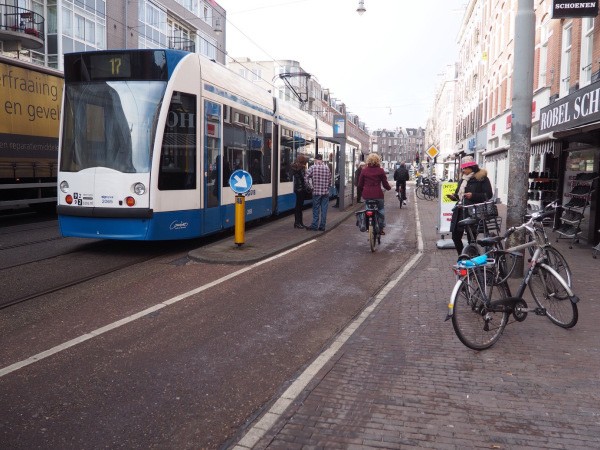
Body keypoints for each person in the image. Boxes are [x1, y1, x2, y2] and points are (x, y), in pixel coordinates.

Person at [448, 156, 493, 255]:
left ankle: (473, 258)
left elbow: (488, 195)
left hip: (473, 212)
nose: (463, 170)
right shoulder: (462, 180)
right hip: (460, 211)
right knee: (455, 237)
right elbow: (458, 195)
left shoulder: (482, 179)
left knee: (471, 238)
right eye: (462, 168)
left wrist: (473, 196)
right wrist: (453, 196)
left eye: (465, 168)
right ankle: (462, 255)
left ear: (472, 167)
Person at [358, 153, 392, 235]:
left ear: (368, 161)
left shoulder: (364, 170)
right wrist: (388, 188)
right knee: (381, 209)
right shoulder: (380, 171)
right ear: (378, 161)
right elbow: (385, 184)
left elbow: (360, 185)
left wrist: (362, 190)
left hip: (367, 195)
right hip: (378, 195)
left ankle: (366, 225)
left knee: (367, 209)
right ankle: (381, 227)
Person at [306, 154, 332, 231]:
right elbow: (330, 180)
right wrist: (327, 187)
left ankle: (314, 226)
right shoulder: (327, 168)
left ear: (315, 160)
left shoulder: (312, 168)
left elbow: (306, 178)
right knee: (324, 209)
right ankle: (322, 226)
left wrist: (310, 187)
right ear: (322, 160)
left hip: (316, 192)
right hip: (325, 193)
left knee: (316, 209)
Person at [291, 154, 309, 229]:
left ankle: (298, 223)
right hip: (301, 189)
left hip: (297, 189)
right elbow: (303, 179)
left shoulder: (294, 167)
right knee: (299, 207)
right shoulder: (301, 168)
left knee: (298, 206)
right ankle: (298, 223)